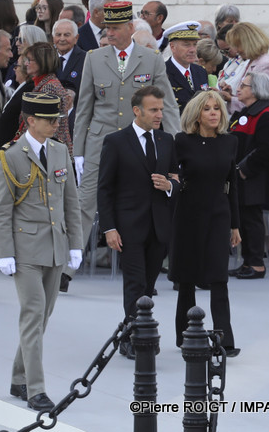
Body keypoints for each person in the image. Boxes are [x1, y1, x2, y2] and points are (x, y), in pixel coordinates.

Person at [71, 1, 179, 290]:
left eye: (116, 28)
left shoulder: (151, 59)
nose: (110, 33)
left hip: (139, 143)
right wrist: (78, 151)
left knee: (144, 203)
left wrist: (176, 145)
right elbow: (84, 108)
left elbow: (167, 105)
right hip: (101, 143)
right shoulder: (94, 58)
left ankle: (143, 272)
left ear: (130, 28)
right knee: (85, 203)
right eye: (107, 28)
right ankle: (68, 267)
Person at [0, 92, 83, 411]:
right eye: (49, 119)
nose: (56, 124)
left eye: (57, 118)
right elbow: (1, 209)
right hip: (25, 249)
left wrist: (76, 244)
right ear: (31, 121)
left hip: (56, 247)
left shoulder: (59, 151)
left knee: (42, 317)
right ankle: (36, 389)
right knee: (33, 315)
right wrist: (4, 251)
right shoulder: (11, 156)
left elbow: (71, 201)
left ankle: (19, 378)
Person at [98, 85, 179, 358]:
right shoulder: (116, 141)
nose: (159, 114)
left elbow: (177, 178)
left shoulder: (166, 140)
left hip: (159, 226)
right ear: (137, 110)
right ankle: (135, 337)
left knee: (148, 285)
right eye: (153, 110)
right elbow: (105, 188)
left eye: (161, 109)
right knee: (134, 283)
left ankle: (136, 330)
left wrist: (169, 186)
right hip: (128, 227)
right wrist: (109, 228)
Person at [168, 90, 241, 357]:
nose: (213, 113)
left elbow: (232, 185)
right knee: (187, 278)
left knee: (219, 277)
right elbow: (172, 177)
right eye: (207, 109)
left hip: (219, 214)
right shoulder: (182, 141)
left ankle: (225, 340)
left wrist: (235, 225)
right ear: (196, 115)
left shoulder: (230, 142)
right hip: (188, 214)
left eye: (217, 108)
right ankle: (185, 335)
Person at [229, 71, 269, 279]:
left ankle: (257, 264)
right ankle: (247, 261)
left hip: (256, 177)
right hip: (245, 175)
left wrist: (243, 170)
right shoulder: (248, 111)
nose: (239, 88)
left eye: (244, 85)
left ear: (256, 90)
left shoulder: (265, 113)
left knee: (252, 219)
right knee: (244, 217)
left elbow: (266, 150)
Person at [19, 42, 73, 158]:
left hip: (49, 152)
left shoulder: (49, 88)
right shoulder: (45, 83)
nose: (26, 63)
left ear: (41, 62)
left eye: (29, 60)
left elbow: (45, 127)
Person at [225, 22, 269, 112]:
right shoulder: (251, 61)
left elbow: (260, 101)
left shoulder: (265, 65)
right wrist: (231, 95)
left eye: (238, 46)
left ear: (248, 43)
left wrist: (230, 99)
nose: (236, 50)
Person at [164, 21, 209, 113]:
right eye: (186, 44)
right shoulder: (163, 72)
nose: (192, 50)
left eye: (195, 44)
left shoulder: (200, 71)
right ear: (172, 47)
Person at [54, 18, 87, 95]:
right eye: (58, 35)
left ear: (76, 38)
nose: (62, 39)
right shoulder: (46, 58)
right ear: (53, 38)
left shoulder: (86, 59)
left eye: (66, 35)